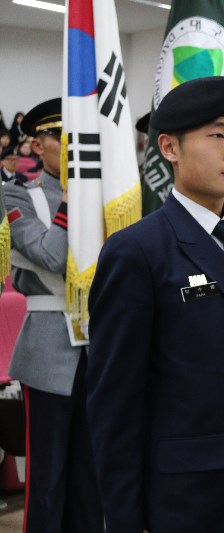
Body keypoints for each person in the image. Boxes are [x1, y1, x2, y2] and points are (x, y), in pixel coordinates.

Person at [87, 77, 224, 532]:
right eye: (217, 135)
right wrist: (126, 520)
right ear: (169, 147)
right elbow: (115, 402)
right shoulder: (138, 250)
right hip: (188, 497)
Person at [4, 98, 104, 532]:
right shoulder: (16, 194)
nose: (69, 145)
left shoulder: (109, 197)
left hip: (99, 344)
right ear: (37, 144)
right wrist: (72, 200)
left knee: (91, 472)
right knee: (48, 474)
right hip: (48, 348)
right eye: (59, 137)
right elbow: (50, 255)